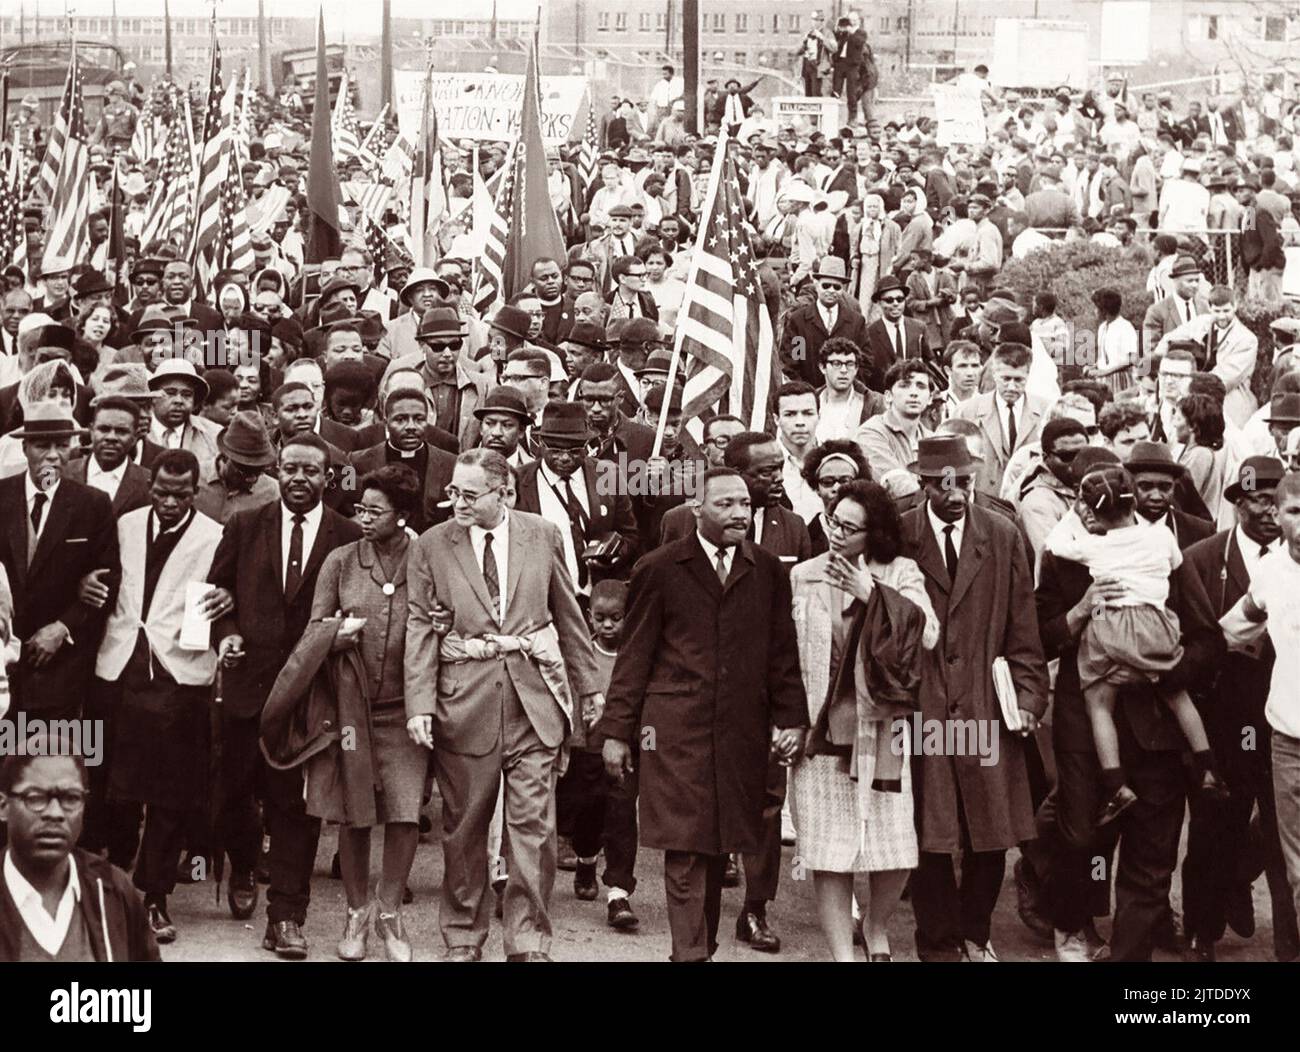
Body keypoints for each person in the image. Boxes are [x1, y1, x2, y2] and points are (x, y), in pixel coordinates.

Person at [599, 467, 807, 962]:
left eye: (745, 505)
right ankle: (689, 955)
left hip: (742, 732)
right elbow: (635, 657)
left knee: (720, 846)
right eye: (726, 504)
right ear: (697, 509)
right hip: (675, 732)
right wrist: (616, 732)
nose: (739, 514)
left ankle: (700, 949)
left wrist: (792, 719)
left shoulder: (769, 571)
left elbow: (783, 654)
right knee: (687, 846)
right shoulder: (659, 567)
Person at [405, 449, 602, 961]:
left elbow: (567, 614)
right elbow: (421, 627)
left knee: (533, 829)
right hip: (464, 704)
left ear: (505, 493)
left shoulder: (543, 534)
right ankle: (464, 936)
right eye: (453, 492)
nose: (458, 503)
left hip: (534, 703)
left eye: (470, 495)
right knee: (465, 828)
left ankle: (528, 941)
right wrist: (420, 704)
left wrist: (590, 687)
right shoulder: (431, 545)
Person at [204, 433, 364, 958]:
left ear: (328, 478)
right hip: (248, 689)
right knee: (232, 796)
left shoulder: (347, 537)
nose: (299, 478)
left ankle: (286, 918)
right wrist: (225, 632)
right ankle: (244, 864)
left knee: (296, 808)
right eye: (290, 468)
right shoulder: (246, 524)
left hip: (311, 695)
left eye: (311, 471)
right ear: (278, 468)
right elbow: (217, 593)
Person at [901, 435, 1049, 961]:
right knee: (931, 832)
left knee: (990, 830)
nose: (957, 493)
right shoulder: (898, 534)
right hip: (922, 706)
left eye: (965, 481)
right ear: (923, 483)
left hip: (987, 702)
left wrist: (1030, 697)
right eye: (945, 484)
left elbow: (1022, 627)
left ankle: (974, 931)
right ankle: (938, 943)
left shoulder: (1002, 534)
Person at [789, 480, 938, 961]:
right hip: (821, 725)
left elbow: (929, 634)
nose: (837, 534)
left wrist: (872, 592)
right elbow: (783, 654)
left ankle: (875, 924)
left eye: (851, 528)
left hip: (881, 727)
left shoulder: (900, 571)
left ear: (875, 534)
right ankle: (842, 956)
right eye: (834, 521)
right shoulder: (805, 575)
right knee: (828, 850)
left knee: (894, 847)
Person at [1043, 465, 1229, 825]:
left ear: (1088, 509)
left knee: (1099, 703)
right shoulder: (1162, 540)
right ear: (1133, 503)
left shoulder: (1093, 547)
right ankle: (1208, 765)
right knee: (1180, 700)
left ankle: (1117, 786)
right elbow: (1043, 636)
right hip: (1157, 629)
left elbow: (1057, 543)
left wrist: (1076, 518)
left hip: (1111, 635)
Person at [88, 449, 222, 945]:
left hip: (178, 672)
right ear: (150, 486)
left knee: (169, 792)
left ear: (197, 490)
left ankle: (155, 897)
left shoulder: (214, 536)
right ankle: (117, 885)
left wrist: (224, 601)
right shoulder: (125, 524)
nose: (169, 502)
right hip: (120, 665)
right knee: (116, 787)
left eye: (181, 494)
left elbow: (223, 593)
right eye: (161, 492)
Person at [304, 465, 427, 962]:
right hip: (351, 708)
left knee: (404, 813)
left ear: (402, 516)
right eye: (362, 508)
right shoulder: (340, 561)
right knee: (356, 814)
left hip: (408, 709)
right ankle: (356, 913)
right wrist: (335, 636)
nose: (365, 518)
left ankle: (390, 913)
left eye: (376, 511)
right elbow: (313, 630)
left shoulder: (427, 558)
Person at [1182, 457, 1300, 962]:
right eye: (1259, 499)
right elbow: (1212, 635)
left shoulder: (1285, 560)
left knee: (1280, 840)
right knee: (1215, 822)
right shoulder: (1204, 557)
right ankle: (1201, 929)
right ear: (1238, 502)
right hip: (1228, 716)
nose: (1269, 511)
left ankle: (1287, 944)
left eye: (1279, 500)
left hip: (1281, 719)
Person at [1220, 472, 1300, 955]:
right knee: (1298, 867)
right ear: (1278, 513)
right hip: (1288, 742)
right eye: (1295, 511)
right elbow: (1233, 627)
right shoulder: (1271, 573)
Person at [0, 402, 117, 721]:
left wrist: (63, 626)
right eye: (42, 445)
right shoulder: (2, 496)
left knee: (47, 760)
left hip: (59, 668)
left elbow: (108, 582)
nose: (53, 455)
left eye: (62, 445)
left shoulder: (92, 505)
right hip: (2, 661)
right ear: (24, 448)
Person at [0, 750, 160, 962]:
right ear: (3, 807)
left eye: (71, 798)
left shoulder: (113, 891)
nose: (55, 813)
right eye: (35, 797)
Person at [800, 440, 871, 556]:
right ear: (817, 488)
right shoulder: (805, 535)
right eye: (827, 482)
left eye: (845, 481)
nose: (837, 488)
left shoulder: (871, 532)